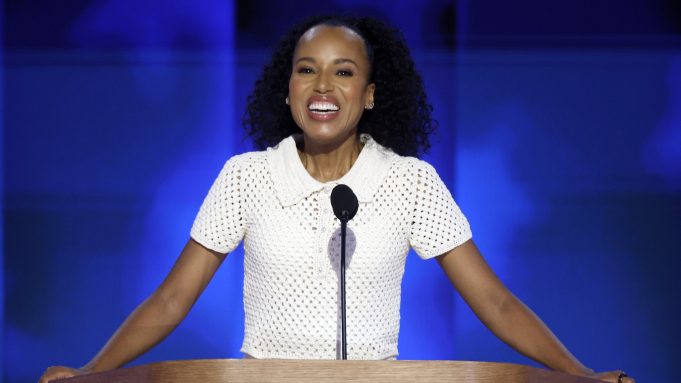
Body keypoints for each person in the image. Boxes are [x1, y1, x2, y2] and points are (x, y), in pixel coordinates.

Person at [40, 15, 634, 383]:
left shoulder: (410, 182)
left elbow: (497, 305)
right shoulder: (246, 176)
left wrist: (580, 376)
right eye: (307, 69)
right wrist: (90, 375)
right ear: (289, 86)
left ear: (371, 94)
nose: (323, 86)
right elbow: (171, 300)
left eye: (344, 72)